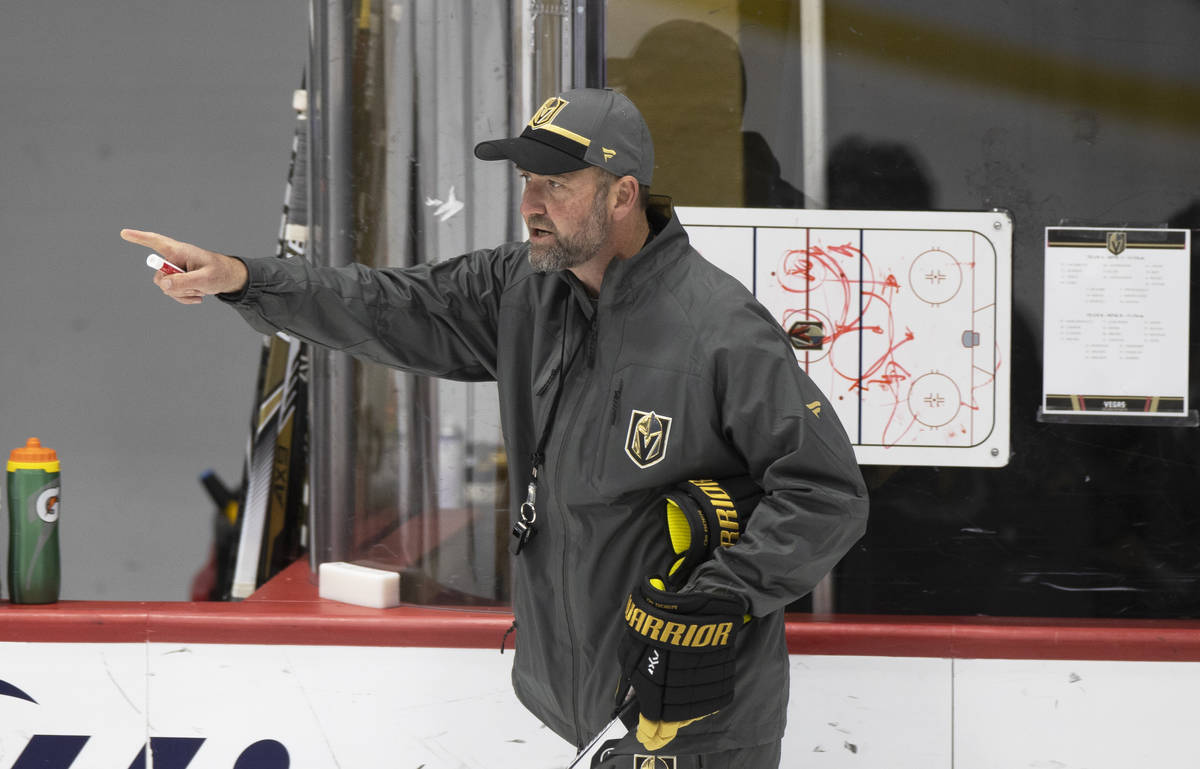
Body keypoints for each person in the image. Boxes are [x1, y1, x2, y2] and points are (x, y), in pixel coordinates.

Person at [121, 87, 868, 768]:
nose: (531, 204)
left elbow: (826, 492)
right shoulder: (526, 291)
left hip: (698, 727)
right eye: (526, 183)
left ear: (623, 195)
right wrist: (247, 278)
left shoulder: (720, 330)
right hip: (581, 710)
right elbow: (387, 304)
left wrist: (723, 593)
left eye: (556, 185)